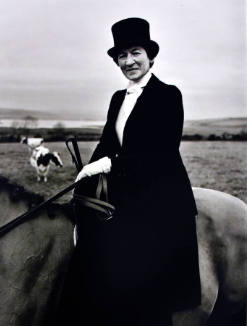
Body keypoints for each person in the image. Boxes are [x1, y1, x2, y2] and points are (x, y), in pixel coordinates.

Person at [56, 17, 201, 326]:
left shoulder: (168, 95)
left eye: (135, 52)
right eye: (121, 55)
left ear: (150, 56)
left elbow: (161, 151)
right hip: (125, 186)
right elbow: (108, 142)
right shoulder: (118, 98)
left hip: (160, 192)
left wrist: (110, 164)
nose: (128, 61)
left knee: (145, 274)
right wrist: (86, 174)